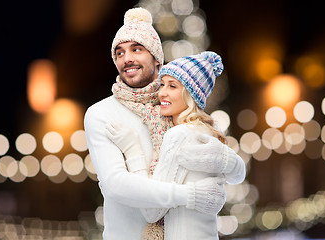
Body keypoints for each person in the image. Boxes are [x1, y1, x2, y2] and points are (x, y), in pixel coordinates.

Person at [84, 8, 229, 240]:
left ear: (156, 58)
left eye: (137, 49)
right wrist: (190, 195)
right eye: (119, 53)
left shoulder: (176, 106)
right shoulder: (101, 113)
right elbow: (116, 184)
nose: (126, 58)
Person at [105, 51, 246, 240]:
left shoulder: (179, 135)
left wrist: (132, 150)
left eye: (172, 86)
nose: (162, 92)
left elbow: (151, 211)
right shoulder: (207, 132)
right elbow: (238, 174)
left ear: (191, 94)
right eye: (162, 84)